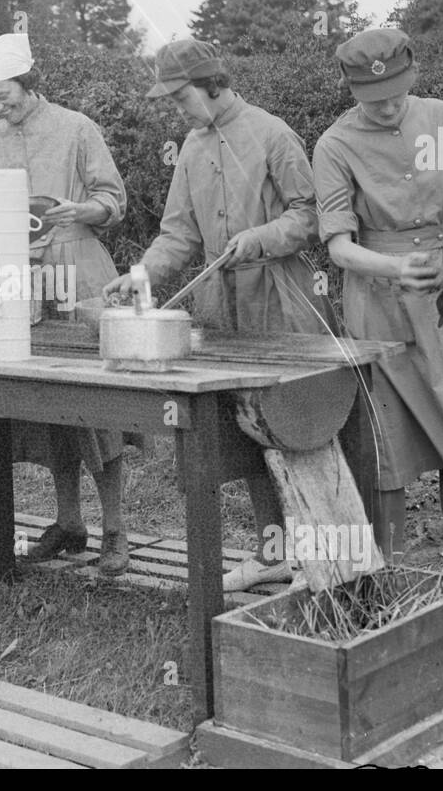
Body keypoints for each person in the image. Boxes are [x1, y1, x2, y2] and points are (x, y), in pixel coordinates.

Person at [104, 38, 331, 591]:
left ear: (211, 83)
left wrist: (260, 238)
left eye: (181, 95)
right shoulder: (190, 147)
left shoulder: (273, 134)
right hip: (220, 306)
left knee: (298, 426)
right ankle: (272, 550)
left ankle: (320, 559)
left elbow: (313, 215)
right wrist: (142, 275)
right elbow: (178, 233)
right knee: (247, 430)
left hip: (283, 299)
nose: (177, 107)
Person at [312, 28, 443, 571]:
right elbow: (338, 249)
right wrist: (396, 267)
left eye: (397, 95)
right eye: (373, 99)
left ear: (413, 76)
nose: (387, 107)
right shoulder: (334, 145)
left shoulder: (439, 116)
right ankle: (393, 571)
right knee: (389, 444)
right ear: (351, 89)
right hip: (378, 304)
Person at [0, 32, 133, 575]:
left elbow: (114, 202)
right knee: (45, 406)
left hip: (79, 272)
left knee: (99, 408)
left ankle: (117, 528)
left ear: (29, 83)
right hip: (17, 281)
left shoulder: (77, 128)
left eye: (3, 96)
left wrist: (81, 210)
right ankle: (69, 521)